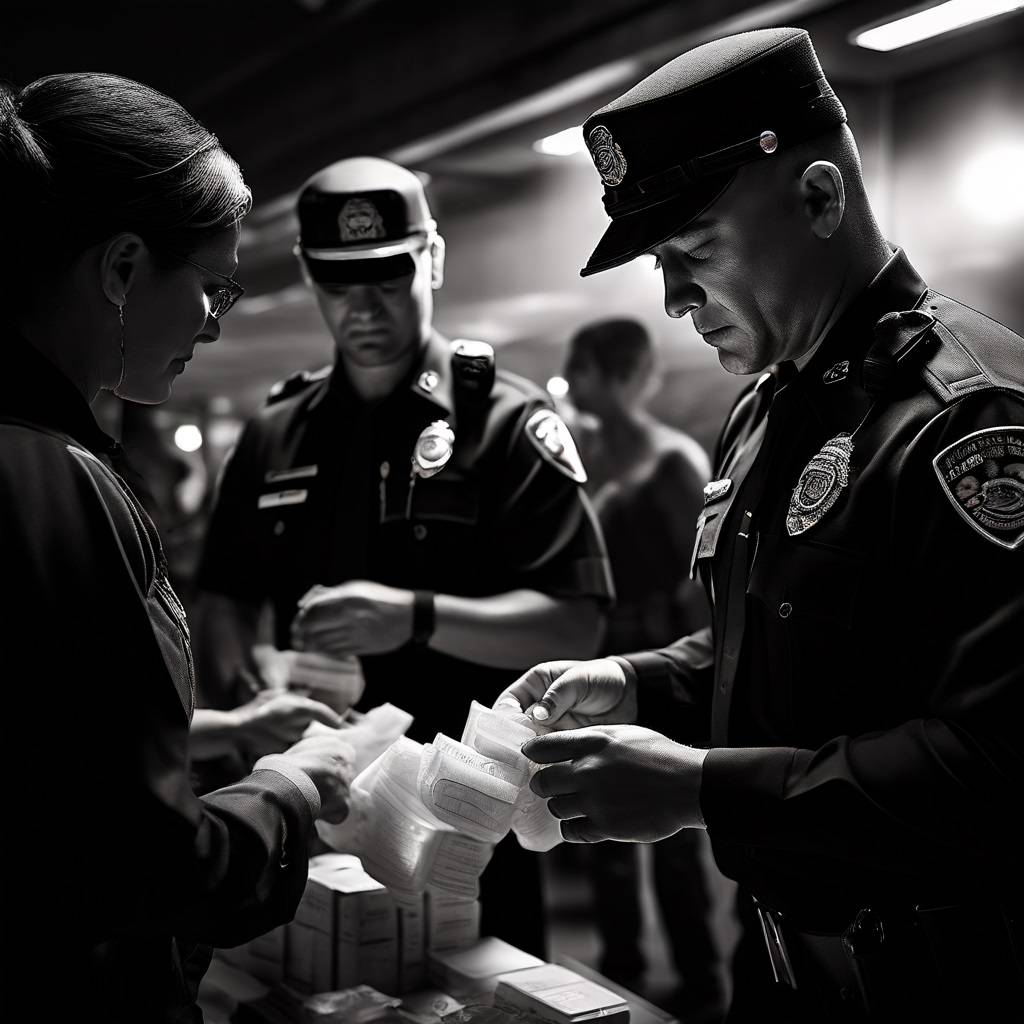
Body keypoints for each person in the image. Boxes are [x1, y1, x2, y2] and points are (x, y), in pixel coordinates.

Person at [498, 27, 1024, 1021]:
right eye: (661, 260)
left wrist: (703, 790)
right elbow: (784, 642)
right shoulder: (764, 410)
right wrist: (638, 681)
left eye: (694, 250)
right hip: (781, 968)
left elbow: (997, 765)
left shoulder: (967, 419)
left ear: (820, 198)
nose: (673, 298)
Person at [0, 74, 357, 1022]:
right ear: (120, 269)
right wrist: (280, 793)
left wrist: (221, 734)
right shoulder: (54, 479)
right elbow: (149, 862)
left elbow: (43, 754)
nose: (214, 318)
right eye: (212, 286)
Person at [194, 156, 613, 956]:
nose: (364, 307)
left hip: (462, 825)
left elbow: (577, 623)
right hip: (312, 804)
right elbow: (224, 600)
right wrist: (250, 702)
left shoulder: (503, 422)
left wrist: (416, 617)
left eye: (388, 277)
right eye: (340, 284)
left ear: (434, 259)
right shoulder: (276, 432)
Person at [564, 319, 724, 1021]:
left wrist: (702, 682)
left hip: (664, 661)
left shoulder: (673, 460)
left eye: (585, 374)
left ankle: (700, 985)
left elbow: (704, 590)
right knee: (601, 826)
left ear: (622, 374)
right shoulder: (590, 456)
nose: (575, 390)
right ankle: (618, 973)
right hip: (606, 659)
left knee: (675, 837)